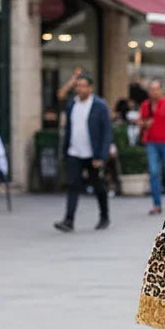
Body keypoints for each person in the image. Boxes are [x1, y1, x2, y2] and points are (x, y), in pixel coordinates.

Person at [55, 73, 112, 232]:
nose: (79, 89)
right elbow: (68, 127)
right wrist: (65, 151)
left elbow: (106, 132)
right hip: (74, 152)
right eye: (77, 86)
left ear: (90, 88)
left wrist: (101, 156)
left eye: (82, 86)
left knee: (99, 186)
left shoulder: (99, 105)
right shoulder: (72, 104)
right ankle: (68, 220)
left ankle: (104, 216)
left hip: (92, 154)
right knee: (73, 186)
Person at [138, 79, 165, 214]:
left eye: (156, 89)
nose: (154, 92)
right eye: (151, 89)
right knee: (154, 172)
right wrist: (145, 124)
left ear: (161, 90)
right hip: (151, 143)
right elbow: (140, 122)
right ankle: (156, 204)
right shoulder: (145, 105)